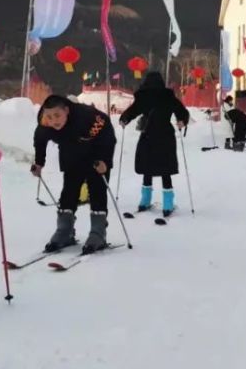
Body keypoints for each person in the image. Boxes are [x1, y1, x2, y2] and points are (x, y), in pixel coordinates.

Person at [32, 95, 117, 254]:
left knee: (97, 188)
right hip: (70, 150)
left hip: (95, 148)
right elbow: (40, 140)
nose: (53, 120)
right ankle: (65, 231)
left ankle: (98, 233)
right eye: (49, 116)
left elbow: (107, 136)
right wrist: (39, 163)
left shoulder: (86, 117)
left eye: (57, 115)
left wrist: (104, 160)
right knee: (69, 189)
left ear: (67, 111)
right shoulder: (45, 123)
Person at [119, 71, 189, 217]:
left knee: (147, 167)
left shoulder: (143, 97)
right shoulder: (168, 96)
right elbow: (181, 111)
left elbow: (132, 111)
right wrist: (182, 121)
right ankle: (168, 204)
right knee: (165, 169)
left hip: (148, 135)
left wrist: (124, 119)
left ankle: (145, 201)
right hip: (165, 135)